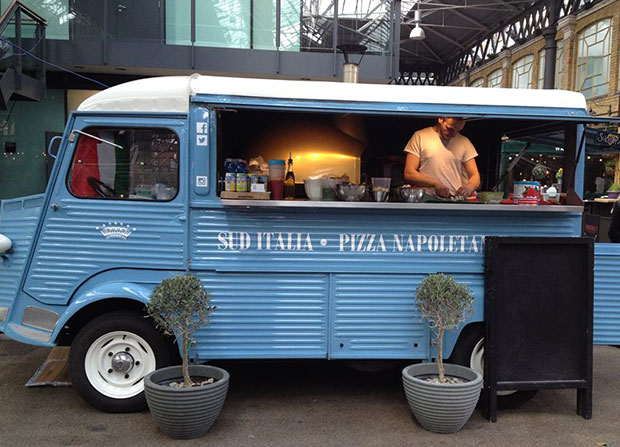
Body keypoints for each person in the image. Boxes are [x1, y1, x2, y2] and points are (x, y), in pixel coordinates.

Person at [403, 117, 481, 198]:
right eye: (450, 129)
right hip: (427, 199)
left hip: (454, 199)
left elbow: (475, 176)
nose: (454, 134)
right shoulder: (420, 136)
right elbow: (409, 174)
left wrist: (468, 188)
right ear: (441, 119)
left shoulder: (464, 142)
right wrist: (434, 183)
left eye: (458, 131)